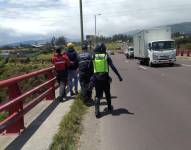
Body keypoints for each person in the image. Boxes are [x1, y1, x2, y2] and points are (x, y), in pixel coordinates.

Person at [91, 43, 123, 118]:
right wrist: (119, 76)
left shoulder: (93, 56)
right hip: (105, 78)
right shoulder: (106, 56)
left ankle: (97, 111)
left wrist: (92, 77)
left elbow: (90, 67)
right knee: (107, 93)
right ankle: (109, 107)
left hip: (96, 79)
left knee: (98, 95)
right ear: (103, 49)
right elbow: (113, 67)